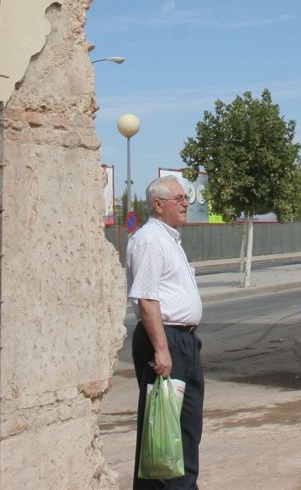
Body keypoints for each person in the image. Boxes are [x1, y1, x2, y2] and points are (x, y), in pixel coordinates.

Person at [126, 175, 203, 488]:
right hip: (166, 339)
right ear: (158, 205)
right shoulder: (149, 240)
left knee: (185, 427)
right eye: (180, 199)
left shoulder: (169, 238)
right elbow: (146, 298)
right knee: (164, 428)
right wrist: (161, 349)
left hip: (183, 340)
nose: (186, 203)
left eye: (186, 198)